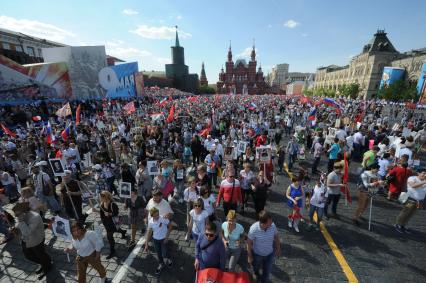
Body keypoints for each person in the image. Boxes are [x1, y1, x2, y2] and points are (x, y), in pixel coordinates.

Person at [11, 202, 52, 280]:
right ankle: (45, 263)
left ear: (24, 211)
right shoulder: (21, 216)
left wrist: (21, 222)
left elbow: (28, 232)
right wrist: (16, 229)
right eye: (16, 215)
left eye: (17, 214)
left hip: (36, 240)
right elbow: (20, 227)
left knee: (40, 254)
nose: (16, 216)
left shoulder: (35, 217)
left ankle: (47, 266)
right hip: (26, 240)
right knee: (28, 256)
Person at [247, 210, 280, 283]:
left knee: (266, 273)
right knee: (255, 270)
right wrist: (249, 256)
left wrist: (278, 248)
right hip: (257, 255)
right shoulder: (254, 229)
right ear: (263, 223)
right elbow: (249, 243)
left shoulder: (272, 225)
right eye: (270, 222)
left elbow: (276, 237)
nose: (272, 223)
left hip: (270, 254)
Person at [144, 207, 173, 275]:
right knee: (158, 254)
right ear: (152, 216)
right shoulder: (151, 222)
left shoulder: (162, 218)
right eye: (155, 215)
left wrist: (166, 238)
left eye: (158, 214)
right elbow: (149, 232)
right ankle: (161, 264)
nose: (157, 216)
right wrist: (146, 244)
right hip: (155, 240)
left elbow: (170, 226)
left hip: (163, 239)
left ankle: (169, 258)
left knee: (164, 253)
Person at [99, 191, 127, 259]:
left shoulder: (112, 204)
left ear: (106, 197)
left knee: (110, 237)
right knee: (113, 233)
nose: (101, 199)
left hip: (113, 223)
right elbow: (101, 215)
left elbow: (116, 213)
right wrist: (104, 223)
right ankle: (123, 232)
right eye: (101, 197)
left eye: (102, 197)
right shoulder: (102, 204)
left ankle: (112, 251)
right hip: (107, 224)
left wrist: (109, 214)